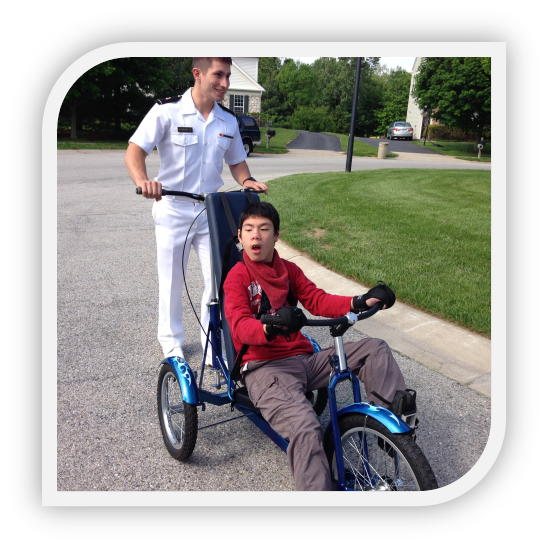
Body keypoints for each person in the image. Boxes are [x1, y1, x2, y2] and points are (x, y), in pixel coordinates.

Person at [223, 202, 417, 491]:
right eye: (249, 230)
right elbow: (239, 324)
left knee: (374, 348)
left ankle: (393, 427)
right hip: (265, 370)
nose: (256, 236)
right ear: (240, 236)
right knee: (307, 428)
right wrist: (270, 325)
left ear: (276, 235)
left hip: (304, 359)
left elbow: (317, 300)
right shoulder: (238, 276)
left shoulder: (289, 270)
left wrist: (361, 301)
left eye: (264, 229)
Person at [124, 57, 268, 361]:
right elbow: (134, 151)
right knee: (172, 280)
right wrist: (143, 180)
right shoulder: (167, 111)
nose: (225, 84)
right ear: (197, 74)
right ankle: (172, 341)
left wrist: (248, 180)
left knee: (218, 281)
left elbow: (237, 162)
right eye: (219, 75)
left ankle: (211, 344)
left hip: (210, 212)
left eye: (228, 76)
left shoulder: (228, 120)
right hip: (172, 208)